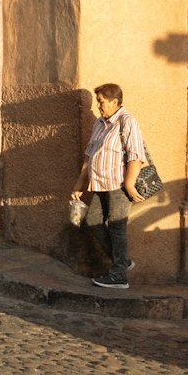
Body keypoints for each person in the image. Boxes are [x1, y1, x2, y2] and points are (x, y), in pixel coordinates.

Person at [72, 82, 146, 290]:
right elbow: (89, 154)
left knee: (117, 227)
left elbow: (136, 155)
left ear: (115, 102)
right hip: (100, 184)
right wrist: (80, 183)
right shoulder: (100, 123)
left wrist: (130, 183)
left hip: (118, 185)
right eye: (97, 102)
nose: (99, 106)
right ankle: (122, 260)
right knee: (92, 220)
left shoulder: (127, 122)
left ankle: (119, 276)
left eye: (101, 102)